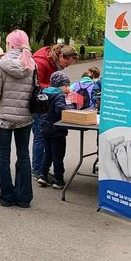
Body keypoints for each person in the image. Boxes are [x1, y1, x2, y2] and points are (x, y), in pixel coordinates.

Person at [0, 29, 36, 207]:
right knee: (23, 155)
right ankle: (24, 198)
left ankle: (7, 197)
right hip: (25, 117)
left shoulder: (2, 64)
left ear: (9, 44)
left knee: (4, 156)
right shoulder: (31, 65)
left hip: (3, 118)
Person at [31, 43, 78, 177]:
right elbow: (36, 84)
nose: (65, 67)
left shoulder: (53, 63)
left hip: (46, 103)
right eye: (66, 63)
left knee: (43, 137)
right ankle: (37, 169)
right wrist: (58, 89)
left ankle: (42, 170)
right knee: (40, 136)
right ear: (61, 56)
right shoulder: (41, 62)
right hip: (39, 105)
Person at [37, 71, 72, 189]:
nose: (67, 88)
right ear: (60, 85)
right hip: (57, 130)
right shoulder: (59, 96)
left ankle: (43, 175)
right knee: (58, 155)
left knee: (48, 153)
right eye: (66, 85)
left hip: (44, 127)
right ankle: (58, 179)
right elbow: (60, 111)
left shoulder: (44, 92)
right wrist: (70, 107)